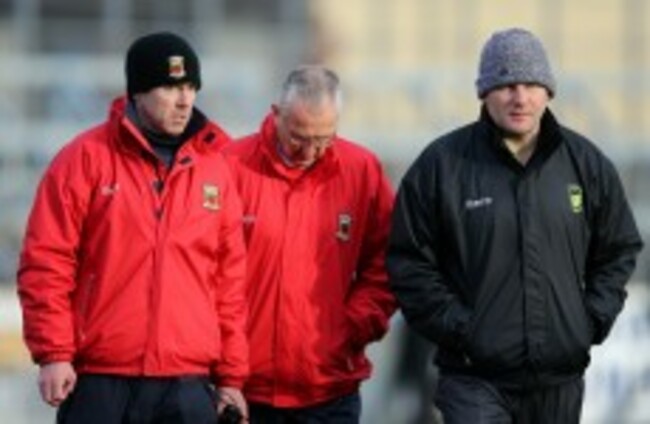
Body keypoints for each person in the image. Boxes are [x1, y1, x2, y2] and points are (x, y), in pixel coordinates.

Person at [387, 27, 644, 424]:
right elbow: (409, 262)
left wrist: (589, 320)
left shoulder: (586, 164)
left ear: (548, 91)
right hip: (473, 380)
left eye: (531, 85)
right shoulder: (441, 167)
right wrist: (462, 329)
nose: (520, 98)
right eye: (507, 85)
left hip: (559, 381)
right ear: (484, 92)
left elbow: (619, 248)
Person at [17, 31, 249, 423]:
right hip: (100, 382)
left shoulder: (216, 169)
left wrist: (231, 377)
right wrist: (54, 353)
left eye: (191, 87)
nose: (184, 100)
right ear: (137, 93)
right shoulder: (84, 159)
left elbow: (229, 282)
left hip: (188, 385)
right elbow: (46, 261)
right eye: (169, 88)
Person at [223, 65, 396, 423]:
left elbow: (391, 257)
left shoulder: (361, 170)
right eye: (298, 137)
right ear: (276, 114)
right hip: (244, 389)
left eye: (323, 139)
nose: (310, 151)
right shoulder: (230, 166)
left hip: (329, 388)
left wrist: (355, 324)